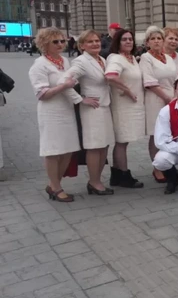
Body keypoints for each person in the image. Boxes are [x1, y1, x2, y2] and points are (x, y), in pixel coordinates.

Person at [61, 30, 116, 195]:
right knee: (94, 147)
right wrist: (80, 99)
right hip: (92, 110)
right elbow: (65, 81)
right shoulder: (81, 61)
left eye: (97, 41)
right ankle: (94, 182)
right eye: (90, 42)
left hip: (105, 106)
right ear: (82, 45)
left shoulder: (102, 60)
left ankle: (97, 179)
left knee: (104, 145)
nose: (95, 44)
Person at [28, 27, 80, 202]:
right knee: (53, 150)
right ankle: (56, 187)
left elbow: (73, 80)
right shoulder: (39, 65)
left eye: (62, 41)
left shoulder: (65, 61)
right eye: (55, 41)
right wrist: (64, 86)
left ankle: (54, 183)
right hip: (50, 112)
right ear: (44, 44)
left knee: (68, 149)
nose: (60, 44)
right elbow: (42, 94)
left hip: (66, 109)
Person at [105, 28, 145, 188]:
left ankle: (116, 175)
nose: (128, 41)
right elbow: (110, 76)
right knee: (122, 141)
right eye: (124, 39)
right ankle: (123, 174)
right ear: (117, 42)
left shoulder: (130, 58)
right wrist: (126, 89)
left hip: (131, 107)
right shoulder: (116, 58)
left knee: (124, 141)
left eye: (130, 39)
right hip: (122, 106)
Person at [140, 26, 178, 183]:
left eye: (159, 38)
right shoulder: (145, 58)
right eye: (153, 38)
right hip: (155, 98)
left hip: (171, 98)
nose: (156, 41)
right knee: (156, 134)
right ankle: (157, 168)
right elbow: (149, 82)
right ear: (147, 42)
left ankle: (167, 163)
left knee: (169, 132)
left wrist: (175, 97)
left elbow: (174, 79)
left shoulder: (168, 58)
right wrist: (167, 97)